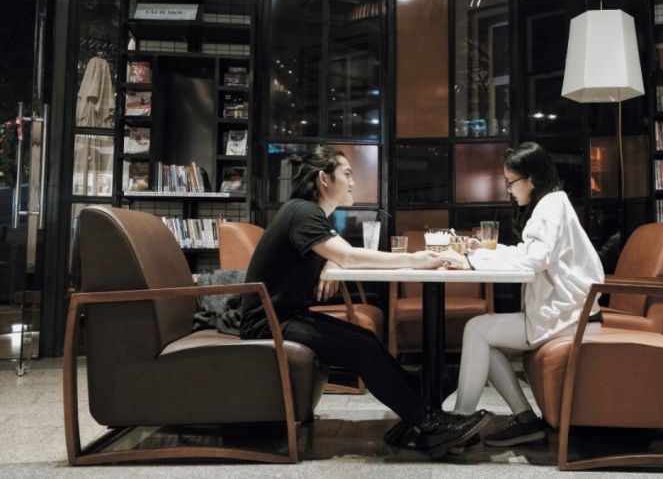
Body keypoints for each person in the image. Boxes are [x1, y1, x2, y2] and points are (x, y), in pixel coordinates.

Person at [238, 146, 490, 459]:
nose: (353, 182)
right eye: (347, 174)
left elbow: (334, 255)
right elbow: (346, 254)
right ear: (323, 179)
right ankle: (428, 420)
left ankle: (422, 406)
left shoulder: (307, 213)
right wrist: (413, 259)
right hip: (268, 323)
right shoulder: (302, 212)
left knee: (366, 338)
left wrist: (330, 265)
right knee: (363, 349)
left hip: (284, 316)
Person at [446, 141, 604, 449]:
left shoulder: (550, 206)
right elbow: (533, 254)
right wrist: (487, 252)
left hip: (571, 315)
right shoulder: (553, 203)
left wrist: (471, 259)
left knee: (476, 329)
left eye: (510, 182)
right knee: (482, 337)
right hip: (572, 310)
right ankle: (524, 420)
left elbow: (535, 260)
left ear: (531, 179)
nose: (508, 190)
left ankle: (458, 422)